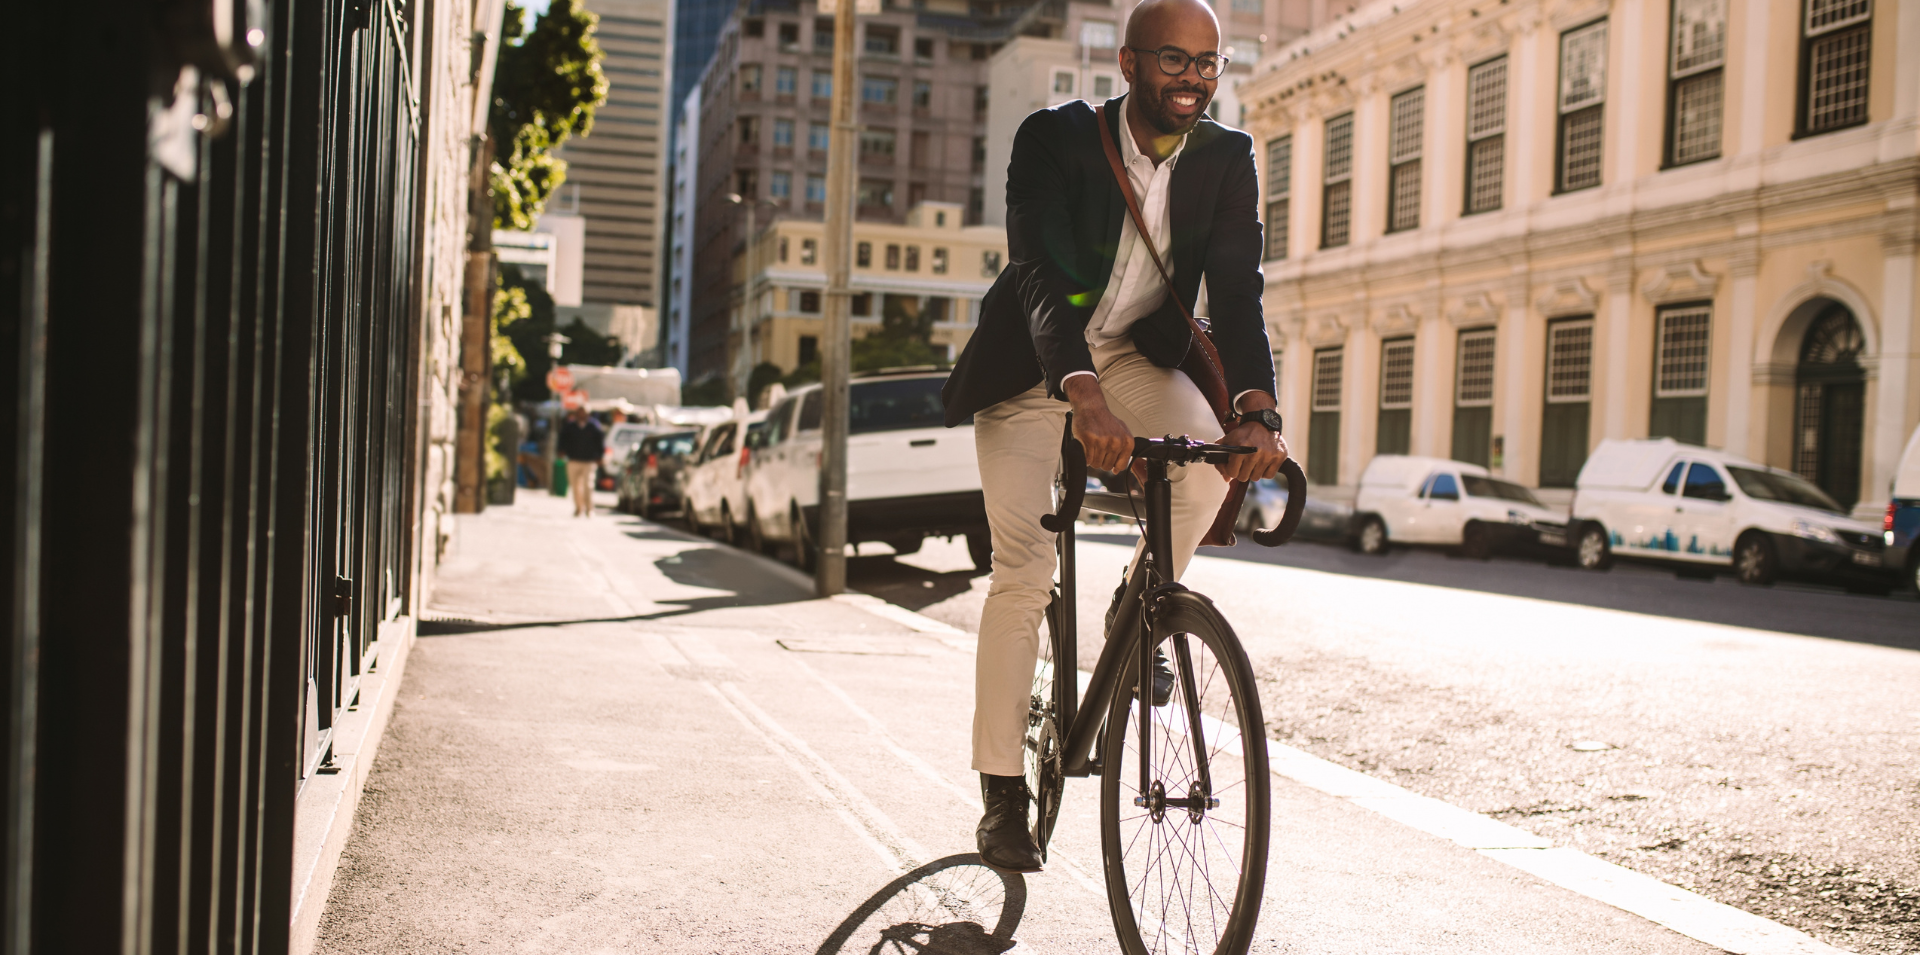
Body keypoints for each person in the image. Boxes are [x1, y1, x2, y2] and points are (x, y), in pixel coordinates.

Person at [939, 0, 1290, 874]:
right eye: (1174, 60)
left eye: (1208, 63)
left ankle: (1138, 610)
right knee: (1022, 574)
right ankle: (1002, 793)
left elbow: (1238, 293)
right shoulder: (1053, 138)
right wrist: (1081, 394)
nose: (1193, 79)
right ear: (1127, 64)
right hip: (1034, 366)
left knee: (1208, 467)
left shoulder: (1226, 158)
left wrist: (1257, 410)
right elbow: (1038, 277)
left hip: (1134, 357)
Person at [557, 406, 605, 517]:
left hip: (589, 461)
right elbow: (562, 440)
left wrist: (600, 456)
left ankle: (589, 509)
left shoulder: (594, 427)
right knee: (575, 486)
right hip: (573, 460)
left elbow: (600, 442)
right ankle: (579, 508)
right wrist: (561, 451)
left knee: (588, 486)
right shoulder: (570, 427)